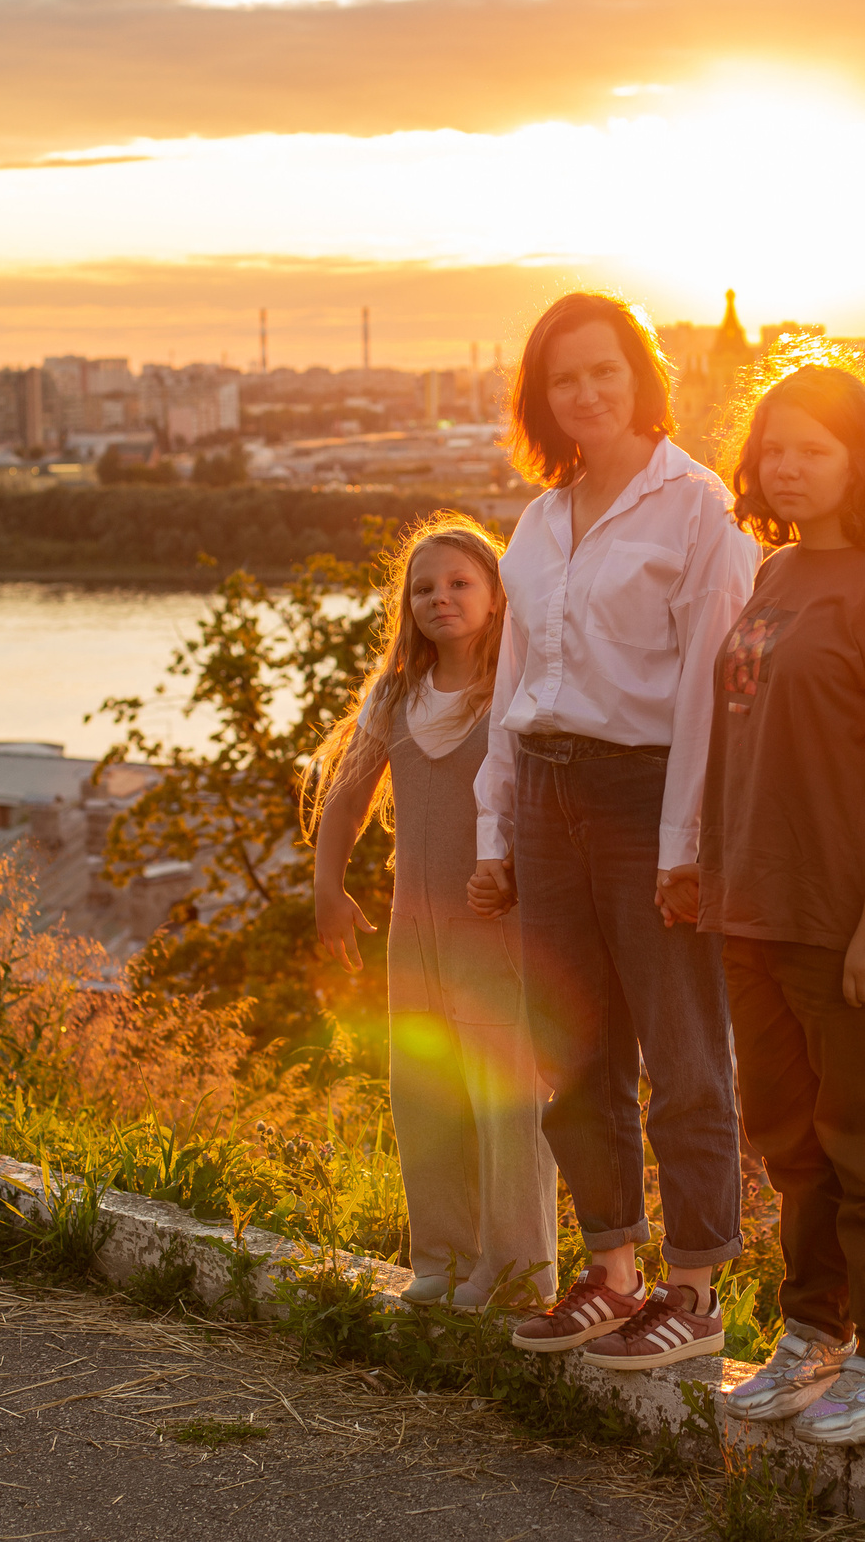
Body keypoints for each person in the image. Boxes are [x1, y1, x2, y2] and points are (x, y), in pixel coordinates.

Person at [470, 290, 758, 1370]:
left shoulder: (699, 510)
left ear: (642, 375)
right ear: (539, 398)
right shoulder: (540, 522)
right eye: (562, 379)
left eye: (604, 371)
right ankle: (610, 1272)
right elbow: (513, 687)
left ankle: (693, 1290)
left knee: (683, 1053)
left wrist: (685, 849)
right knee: (574, 1052)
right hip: (546, 798)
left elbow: (704, 699)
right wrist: (496, 831)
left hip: (647, 802)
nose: (585, 394)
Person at [699, 347, 865, 1443]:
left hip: (855, 925)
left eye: (814, 449)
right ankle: (815, 1336)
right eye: (774, 448)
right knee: (792, 1143)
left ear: (863, 459)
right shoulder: (776, 577)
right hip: (756, 914)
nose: (788, 467)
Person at [309, 516, 557, 1312]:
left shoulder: (516, 691)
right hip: (412, 935)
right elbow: (345, 801)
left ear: (495, 595)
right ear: (406, 605)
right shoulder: (394, 695)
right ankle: (442, 1261)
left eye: (459, 583)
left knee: (505, 1101)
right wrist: (328, 888)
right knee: (423, 1093)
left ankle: (518, 1272)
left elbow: (547, 809)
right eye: (424, 588)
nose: (440, 598)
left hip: (496, 931)